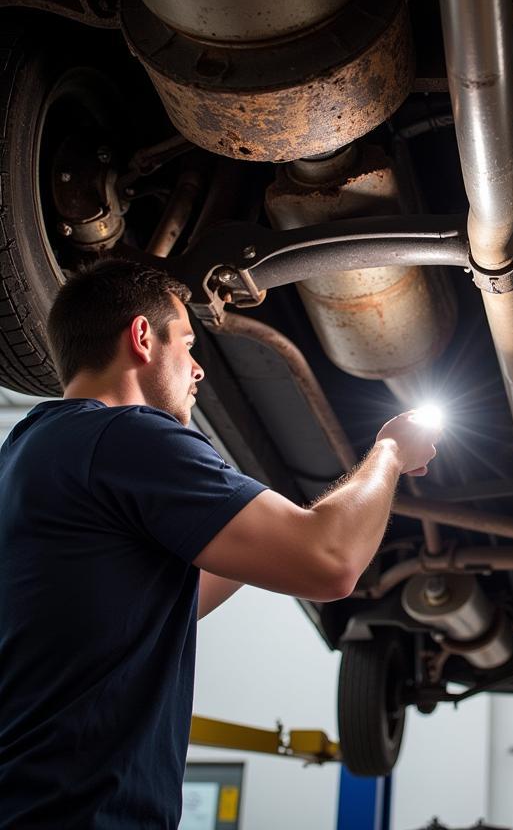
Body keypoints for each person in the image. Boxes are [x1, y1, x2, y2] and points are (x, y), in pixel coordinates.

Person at [0, 258, 439, 829]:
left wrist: (275, 527)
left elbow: (163, 605)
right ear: (141, 337)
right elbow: (329, 563)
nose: (197, 368)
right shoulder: (123, 435)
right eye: (186, 342)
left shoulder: (30, 453)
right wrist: (390, 453)